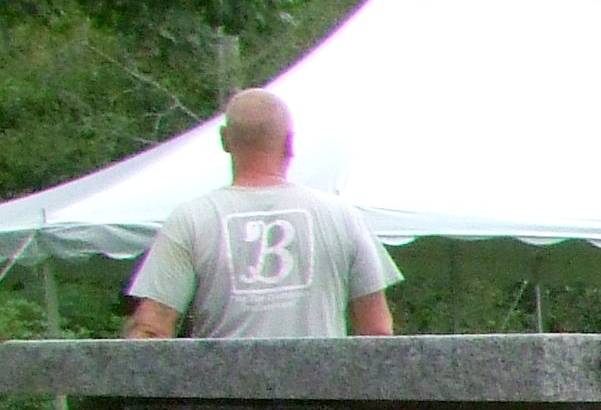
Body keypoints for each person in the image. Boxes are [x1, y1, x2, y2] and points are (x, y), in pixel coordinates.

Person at [123, 91, 398, 339]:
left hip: (223, 393)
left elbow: (152, 328)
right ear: (290, 143)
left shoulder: (191, 219)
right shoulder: (343, 217)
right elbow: (377, 331)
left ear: (225, 140)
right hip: (320, 393)